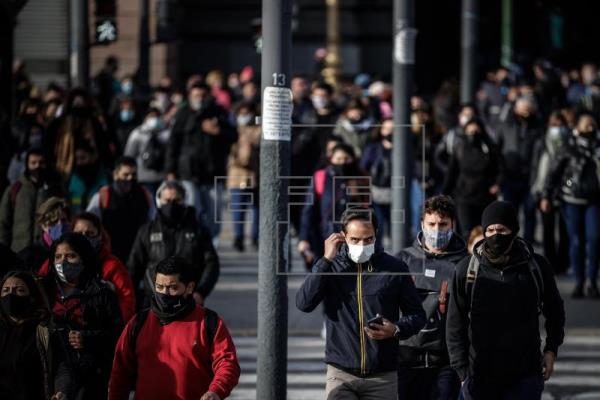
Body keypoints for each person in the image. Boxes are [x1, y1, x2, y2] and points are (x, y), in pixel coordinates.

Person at [296, 207, 426, 399]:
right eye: (355, 239)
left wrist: (396, 329)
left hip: (382, 376)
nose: (362, 244)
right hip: (341, 374)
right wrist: (325, 260)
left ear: (376, 235)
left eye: (368, 239)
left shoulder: (394, 268)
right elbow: (304, 303)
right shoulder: (330, 267)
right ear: (342, 237)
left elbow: (417, 315)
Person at [446, 201, 565, 400]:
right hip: (479, 376)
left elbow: (555, 311)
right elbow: (454, 324)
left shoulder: (536, 267)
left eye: (501, 229)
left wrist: (551, 350)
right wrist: (462, 373)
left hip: (525, 376)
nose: (495, 236)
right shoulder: (466, 270)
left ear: (514, 230)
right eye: (490, 230)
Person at [109, 256, 240, 400]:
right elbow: (120, 373)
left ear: (189, 288)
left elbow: (227, 363)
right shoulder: (138, 322)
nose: (164, 293)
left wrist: (216, 391)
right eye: (159, 287)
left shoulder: (209, 322)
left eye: (173, 288)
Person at [396, 195, 468, 400]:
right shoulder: (403, 260)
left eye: (443, 224)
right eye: (432, 224)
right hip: (406, 358)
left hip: (445, 362)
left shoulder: (465, 265)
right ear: (422, 224)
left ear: (453, 224)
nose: (437, 230)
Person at [45, 233, 122, 400]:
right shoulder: (44, 292)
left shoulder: (102, 293)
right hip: (51, 374)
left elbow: (117, 336)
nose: (63, 262)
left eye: (71, 256)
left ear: (84, 258)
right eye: (58, 257)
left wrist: (89, 339)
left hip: (91, 379)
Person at [128, 181, 220, 309]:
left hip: (189, 301)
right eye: (167, 200)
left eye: (176, 200)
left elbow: (211, 263)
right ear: (159, 201)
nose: (171, 205)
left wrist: (201, 292)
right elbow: (133, 267)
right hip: (154, 302)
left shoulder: (198, 230)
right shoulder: (147, 231)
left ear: (184, 201)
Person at [165, 82, 236, 244]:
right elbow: (173, 143)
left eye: (203, 96)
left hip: (212, 173)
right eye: (196, 96)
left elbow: (233, 135)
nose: (199, 99)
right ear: (190, 96)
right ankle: (191, 243)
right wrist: (170, 170)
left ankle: (210, 244)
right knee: (191, 209)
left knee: (214, 215)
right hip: (188, 173)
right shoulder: (182, 114)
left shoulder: (218, 113)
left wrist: (218, 131)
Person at [37, 212, 137, 323]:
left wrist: (111, 323)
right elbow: (39, 286)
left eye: (90, 233)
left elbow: (127, 300)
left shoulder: (111, 265)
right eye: (79, 233)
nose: (84, 237)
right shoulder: (55, 260)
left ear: (100, 235)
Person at [542, 112, 600, 298]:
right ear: (577, 128)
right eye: (586, 125)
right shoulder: (569, 147)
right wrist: (546, 196)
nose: (589, 129)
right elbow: (553, 173)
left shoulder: (598, 148)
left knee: (595, 239)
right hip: (572, 199)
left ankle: (592, 280)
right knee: (576, 241)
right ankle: (579, 280)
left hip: (594, 200)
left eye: (592, 125)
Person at [297, 143, 369, 265]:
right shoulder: (321, 178)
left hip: (353, 239)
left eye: (346, 159)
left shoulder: (361, 179)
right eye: (338, 159)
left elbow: (368, 210)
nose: (342, 163)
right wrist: (303, 238)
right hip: (323, 238)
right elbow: (308, 210)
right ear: (331, 160)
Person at [0, 270, 60, 400]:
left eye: (19, 290)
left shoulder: (44, 330)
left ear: (33, 297)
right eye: (5, 290)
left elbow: (61, 368)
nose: (11, 295)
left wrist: (61, 391)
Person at [87, 156, 154, 263]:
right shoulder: (103, 196)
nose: (129, 178)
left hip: (138, 256)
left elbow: (152, 223)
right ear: (115, 175)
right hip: (110, 255)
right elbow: (90, 223)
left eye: (133, 175)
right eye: (125, 175)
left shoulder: (145, 196)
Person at [442, 118, 501, 239]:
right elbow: (452, 173)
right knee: (466, 232)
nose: (473, 134)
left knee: (483, 231)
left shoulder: (489, 148)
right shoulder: (460, 148)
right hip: (464, 196)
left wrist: (497, 184)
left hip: (485, 196)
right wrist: (444, 193)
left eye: (476, 131)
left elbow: (500, 169)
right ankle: (467, 257)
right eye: (470, 131)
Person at [495, 96, 543, 243]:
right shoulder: (506, 124)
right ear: (516, 109)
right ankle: (510, 242)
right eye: (523, 109)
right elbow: (497, 149)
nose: (526, 112)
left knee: (530, 212)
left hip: (530, 178)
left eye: (529, 109)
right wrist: (499, 175)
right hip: (509, 177)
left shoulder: (538, 127)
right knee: (510, 213)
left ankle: (528, 245)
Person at [0, 149, 63, 252]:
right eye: (33, 163)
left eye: (41, 163)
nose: (37, 166)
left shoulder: (55, 190)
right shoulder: (15, 189)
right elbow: (3, 223)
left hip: (46, 251)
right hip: (18, 251)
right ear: (27, 165)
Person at [531, 111, 570, 275]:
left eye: (560, 125)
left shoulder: (570, 144)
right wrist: (537, 191)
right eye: (554, 125)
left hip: (565, 192)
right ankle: (549, 262)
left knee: (564, 229)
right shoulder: (542, 143)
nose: (557, 129)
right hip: (544, 191)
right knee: (547, 229)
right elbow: (535, 167)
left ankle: (563, 262)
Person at [227, 102, 260, 251]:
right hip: (236, 176)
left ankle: (255, 236)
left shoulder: (257, 131)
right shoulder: (231, 131)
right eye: (242, 113)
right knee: (238, 209)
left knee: (256, 209)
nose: (244, 116)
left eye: (247, 113)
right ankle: (238, 236)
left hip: (255, 176)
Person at [360, 118, 393, 243]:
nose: (390, 132)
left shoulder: (404, 149)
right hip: (376, 193)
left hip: (398, 194)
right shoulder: (373, 149)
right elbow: (363, 169)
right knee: (377, 227)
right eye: (387, 129)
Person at [124, 107, 169, 196]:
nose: (155, 119)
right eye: (151, 117)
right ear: (145, 118)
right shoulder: (137, 133)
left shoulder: (166, 134)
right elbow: (129, 156)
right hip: (144, 177)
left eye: (157, 116)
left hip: (163, 177)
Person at [18, 197, 70, 272]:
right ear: (43, 224)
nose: (60, 225)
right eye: (54, 221)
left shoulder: (75, 252)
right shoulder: (30, 255)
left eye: (63, 220)